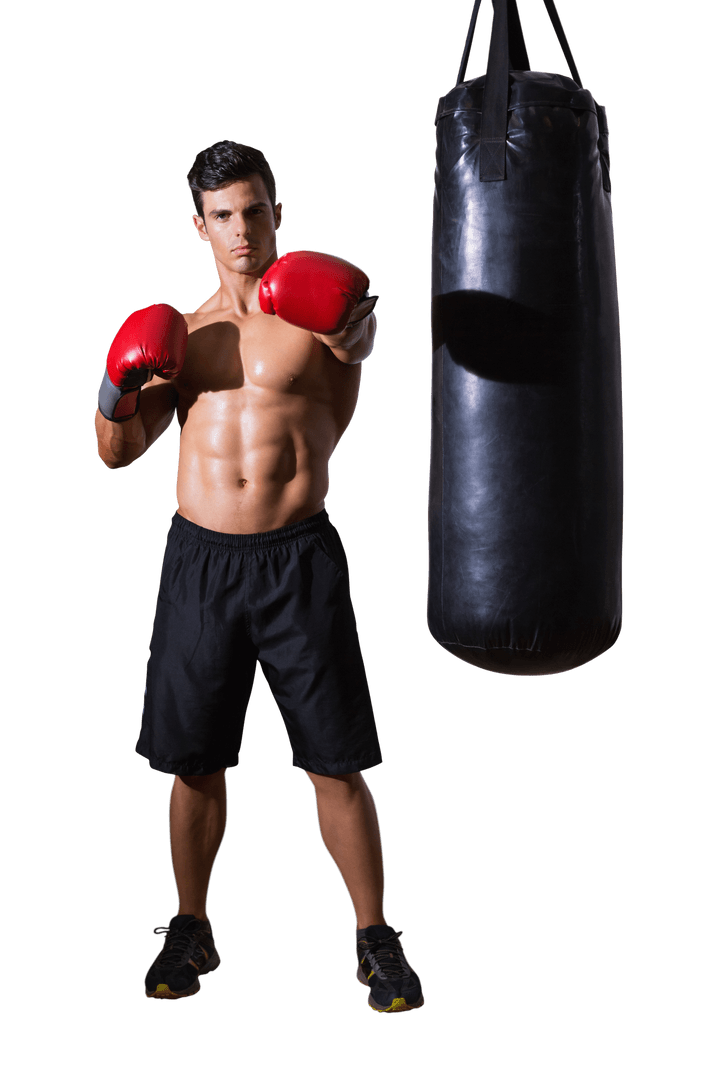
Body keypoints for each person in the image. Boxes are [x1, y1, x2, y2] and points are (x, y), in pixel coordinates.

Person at [94, 140, 424, 1014]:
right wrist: (117, 386)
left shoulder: (321, 314)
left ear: (279, 213)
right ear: (198, 226)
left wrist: (352, 321)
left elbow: (359, 334)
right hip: (199, 563)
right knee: (193, 762)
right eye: (223, 216)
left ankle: (375, 937)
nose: (241, 230)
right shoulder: (181, 335)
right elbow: (117, 454)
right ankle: (191, 924)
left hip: (297, 558)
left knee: (336, 763)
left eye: (254, 210)